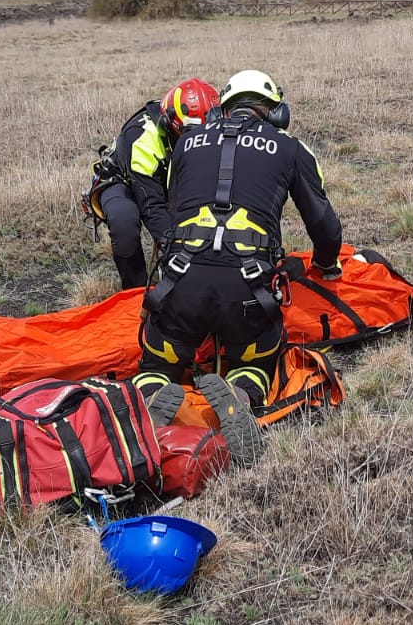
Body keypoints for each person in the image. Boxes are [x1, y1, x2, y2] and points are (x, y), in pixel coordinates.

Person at [135, 70, 344, 464]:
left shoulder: (185, 144)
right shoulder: (290, 147)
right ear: (276, 112)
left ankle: (152, 390)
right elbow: (325, 226)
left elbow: (175, 212)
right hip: (248, 292)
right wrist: (326, 264)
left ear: (222, 109)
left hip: (181, 284)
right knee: (255, 359)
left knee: (157, 358)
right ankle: (241, 393)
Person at [82, 79, 220, 289]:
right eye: (189, 134)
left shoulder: (211, 126)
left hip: (171, 177)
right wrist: (177, 249)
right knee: (124, 223)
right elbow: (152, 207)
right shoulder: (143, 138)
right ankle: (134, 291)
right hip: (125, 182)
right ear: (170, 122)